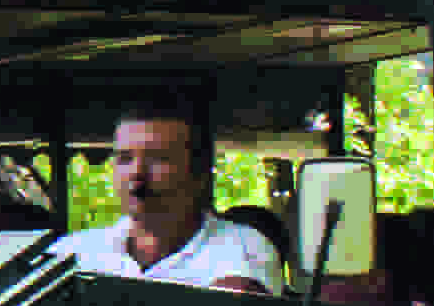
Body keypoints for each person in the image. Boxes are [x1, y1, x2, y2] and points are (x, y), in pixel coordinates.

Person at [79, 107, 287, 295]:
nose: (137, 172)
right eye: (125, 158)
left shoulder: (242, 246)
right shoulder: (74, 251)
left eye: (158, 158)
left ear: (199, 174)